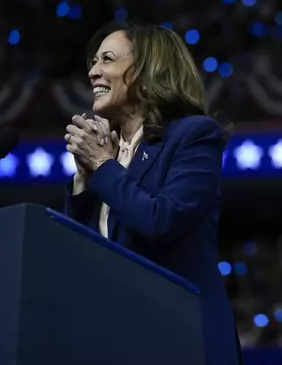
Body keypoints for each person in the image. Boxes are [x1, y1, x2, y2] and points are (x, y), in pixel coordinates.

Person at [63, 21, 240, 365]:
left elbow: (161, 220)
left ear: (146, 70)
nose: (93, 72)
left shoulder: (193, 136)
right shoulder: (108, 156)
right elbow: (77, 258)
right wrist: (84, 180)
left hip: (182, 338)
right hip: (118, 341)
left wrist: (102, 166)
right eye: (94, 62)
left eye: (107, 60)